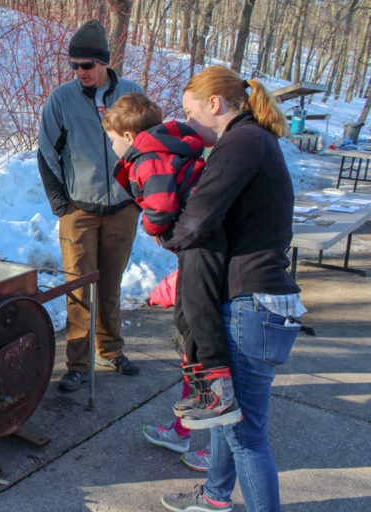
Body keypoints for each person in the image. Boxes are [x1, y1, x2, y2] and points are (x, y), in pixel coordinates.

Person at [158, 66, 306, 512]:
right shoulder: (253, 139)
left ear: (215, 104)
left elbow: (197, 220)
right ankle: (214, 496)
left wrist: (164, 232)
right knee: (226, 417)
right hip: (259, 301)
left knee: (245, 436)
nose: (188, 123)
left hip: (252, 305)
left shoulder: (241, 142)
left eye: (190, 113)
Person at [102, 92, 241, 429]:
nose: (112, 147)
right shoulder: (160, 150)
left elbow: (161, 205)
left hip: (204, 240)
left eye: (112, 139)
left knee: (198, 312)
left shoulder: (148, 157)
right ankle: (201, 389)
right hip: (198, 237)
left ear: (129, 136)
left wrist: (152, 227)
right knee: (184, 315)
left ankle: (220, 392)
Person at [37, 19, 144, 392]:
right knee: (79, 290)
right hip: (78, 211)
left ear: (105, 62)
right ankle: (78, 364)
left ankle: (110, 351)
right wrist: (60, 204)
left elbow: (148, 147)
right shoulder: (61, 99)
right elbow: (46, 153)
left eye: (87, 65)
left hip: (123, 209)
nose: (80, 71)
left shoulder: (131, 94)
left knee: (110, 286)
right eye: (74, 65)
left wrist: (139, 196)